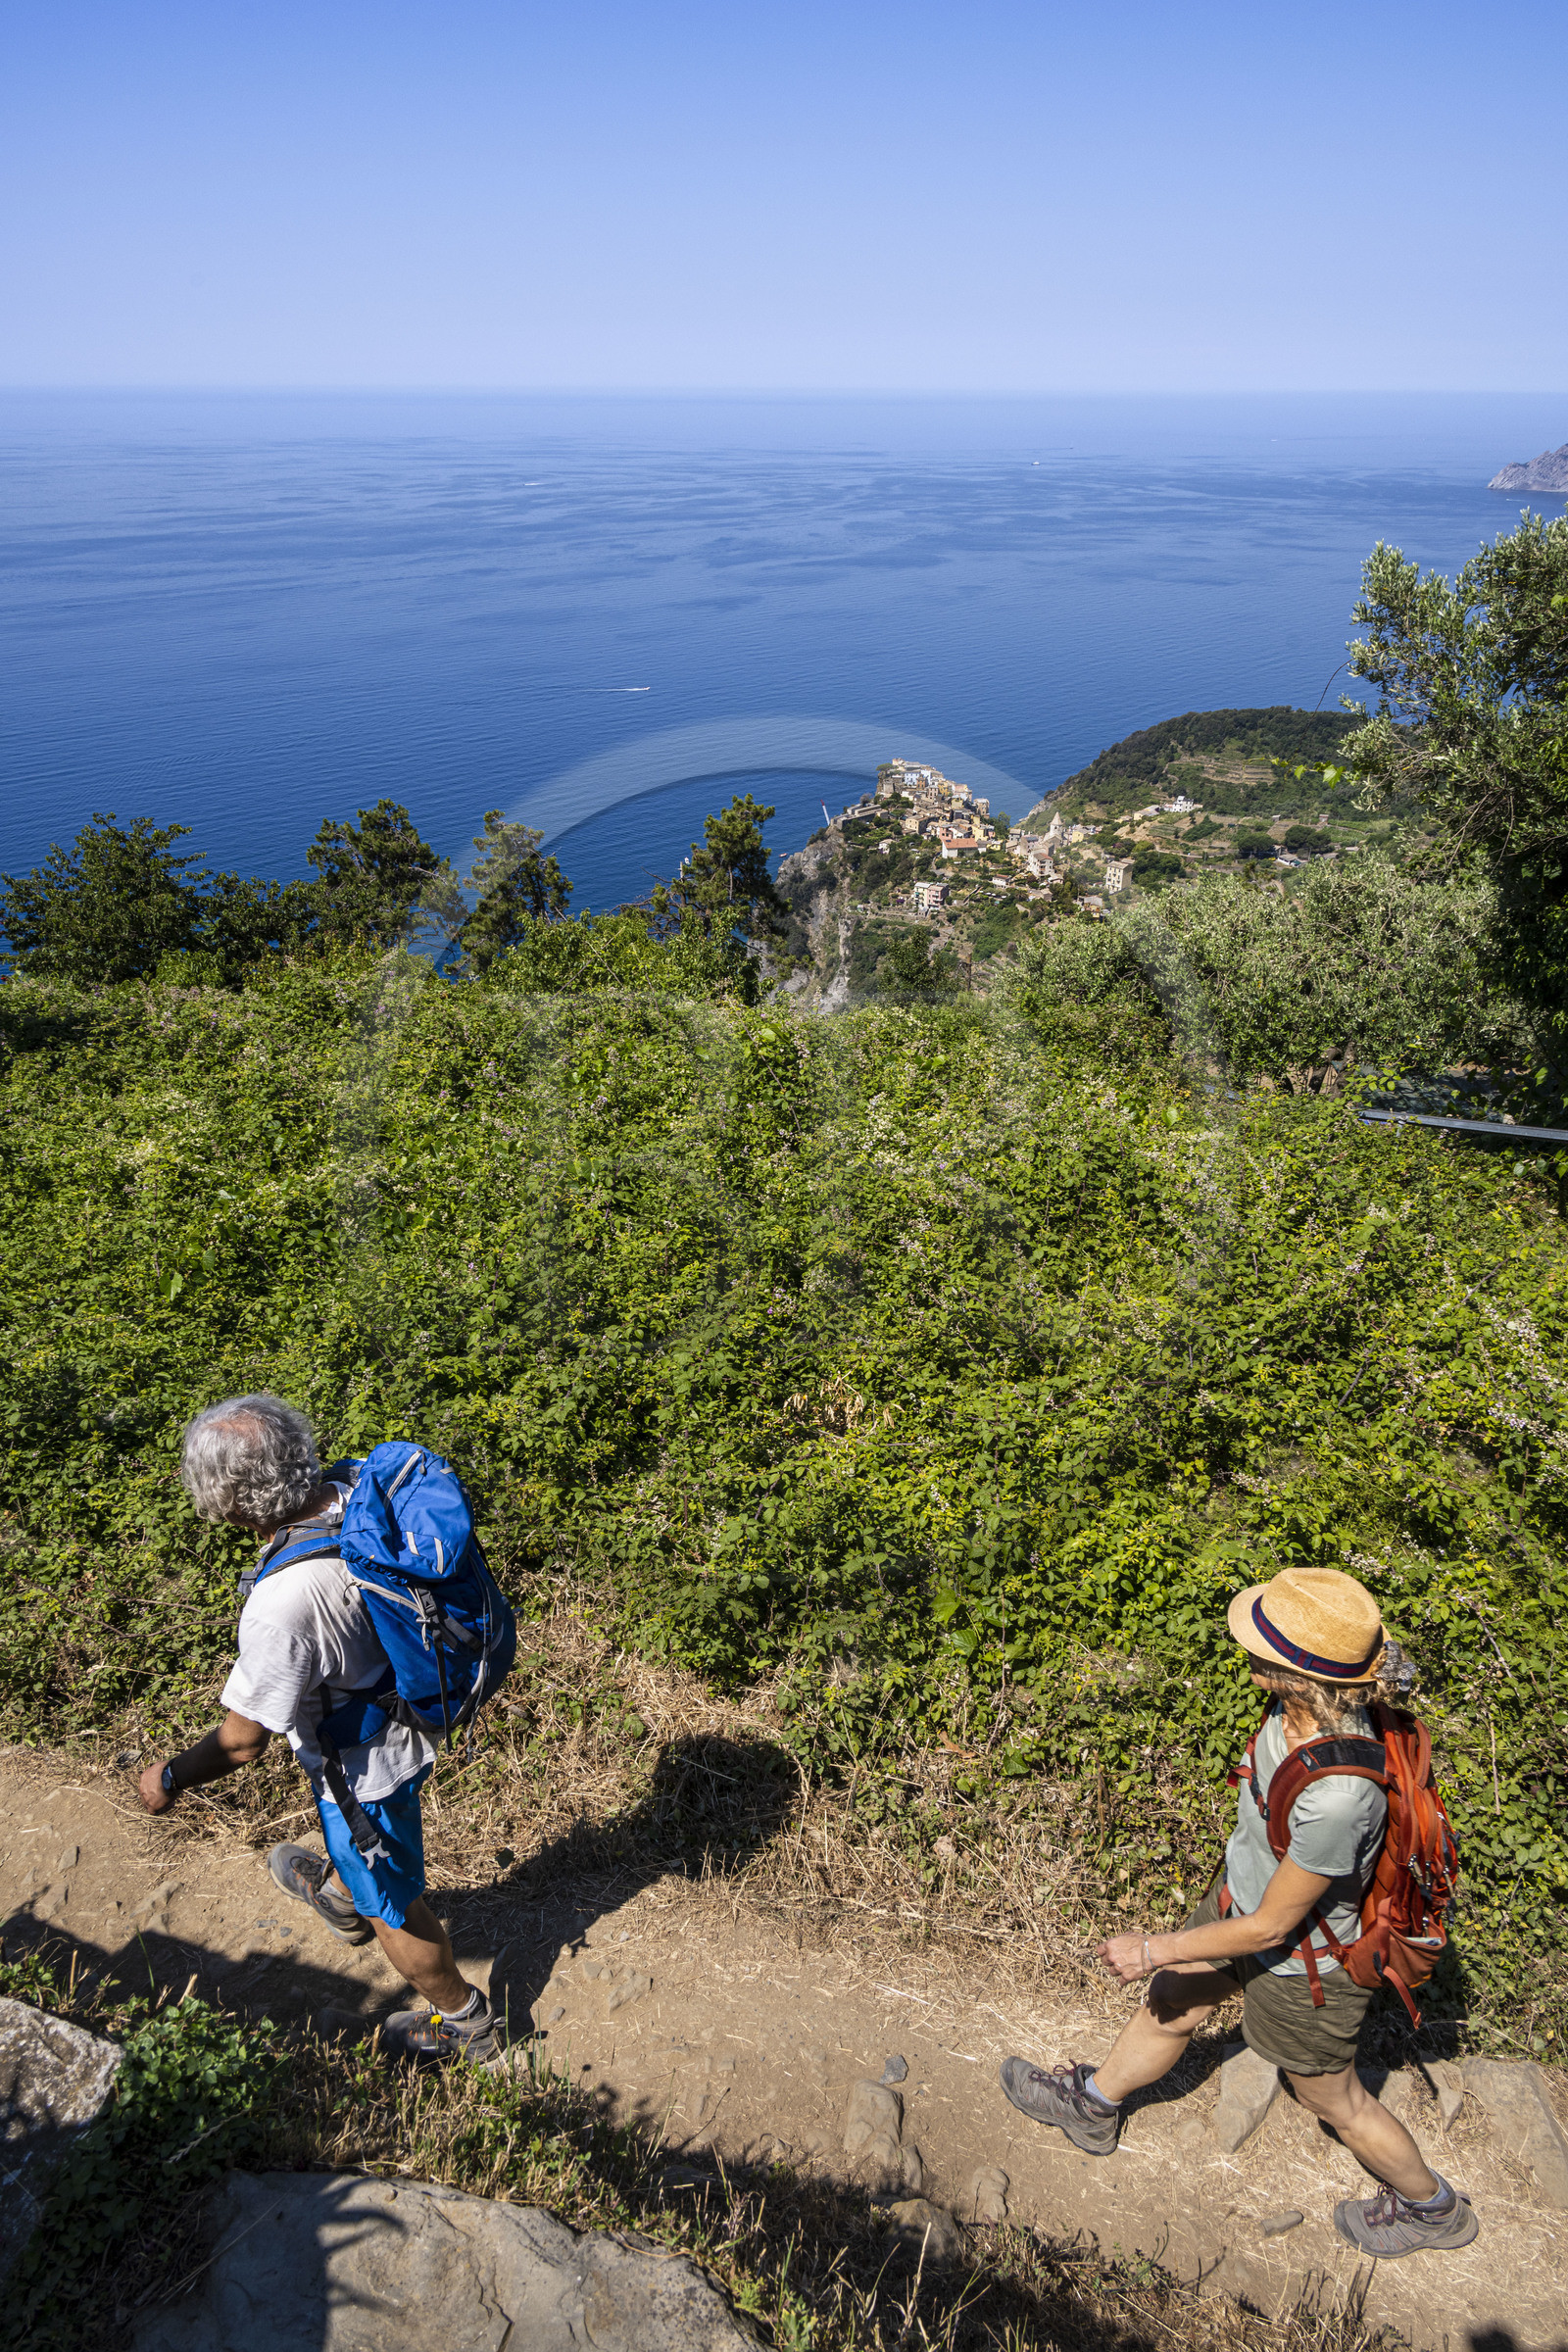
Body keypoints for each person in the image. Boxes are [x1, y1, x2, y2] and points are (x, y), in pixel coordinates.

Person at [999, 1564, 1478, 2259]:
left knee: (1332, 2099)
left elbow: (1274, 1929)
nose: (1247, 1646)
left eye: (1263, 1642)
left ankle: (1434, 2208)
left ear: (1295, 1671)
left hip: (1305, 1966)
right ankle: (1094, 2105)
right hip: (1243, 1904)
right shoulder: (1302, 1708)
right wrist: (1180, 1952)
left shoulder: (1342, 1792)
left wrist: (1152, 1946)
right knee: (1173, 2000)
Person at [138, 1392, 500, 2064]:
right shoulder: (355, 1489)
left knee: (393, 1907)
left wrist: (168, 1777)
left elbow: (242, 1742)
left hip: (364, 1764)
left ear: (234, 1501)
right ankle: (338, 1894)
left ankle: (465, 2022)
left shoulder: (282, 1603)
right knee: (373, 1859)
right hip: (412, 1709)